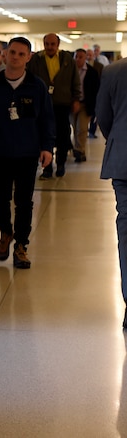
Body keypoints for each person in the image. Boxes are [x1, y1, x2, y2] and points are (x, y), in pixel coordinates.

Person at [0, 37, 55, 270]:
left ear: (28, 57)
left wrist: (47, 147)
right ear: (5, 55)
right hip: (1, 152)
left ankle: (21, 246)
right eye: (12, 52)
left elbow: (47, 119)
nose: (15, 57)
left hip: (28, 154)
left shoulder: (37, 87)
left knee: (24, 202)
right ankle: (5, 231)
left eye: (21, 54)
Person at [96, 56, 127, 327]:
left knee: (126, 232)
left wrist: (118, 141)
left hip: (123, 161)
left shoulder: (114, 71)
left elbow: (103, 117)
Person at [26, 33, 80, 179]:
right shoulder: (36, 59)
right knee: (43, 135)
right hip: (41, 104)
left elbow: (75, 80)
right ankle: (47, 167)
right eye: (47, 44)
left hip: (62, 104)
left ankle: (61, 164)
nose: (49, 47)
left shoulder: (68, 59)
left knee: (62, 135)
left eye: (52, 44)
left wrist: (76, 99)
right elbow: (28, 79)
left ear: (58, 45)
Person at [71, 48, 100, 163]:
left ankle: (79, 150)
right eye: (76, 56)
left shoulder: (92, 72)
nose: (77, 59)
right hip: (72, 104)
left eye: (80, 57)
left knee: (81, 129)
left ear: (85, 58)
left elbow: (96, 90)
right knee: (74, 128)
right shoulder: (69, 71)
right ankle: (78, 149)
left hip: (85, 105)